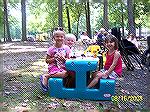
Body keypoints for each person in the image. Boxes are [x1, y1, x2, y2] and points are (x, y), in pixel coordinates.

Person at [40, 27, 71, 92]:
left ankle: (65, 87)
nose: (59, 38)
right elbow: (47, 61)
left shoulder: (67, 48)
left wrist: (64, 59)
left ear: (64, 38)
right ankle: (46, 76)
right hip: (54, 67)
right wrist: (54, 59)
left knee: (70, 73)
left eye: (61, 37)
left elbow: (69, 60)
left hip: (64, 67)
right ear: (54, 38)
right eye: (57, 36)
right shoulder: (51, 49)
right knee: (65, 74)